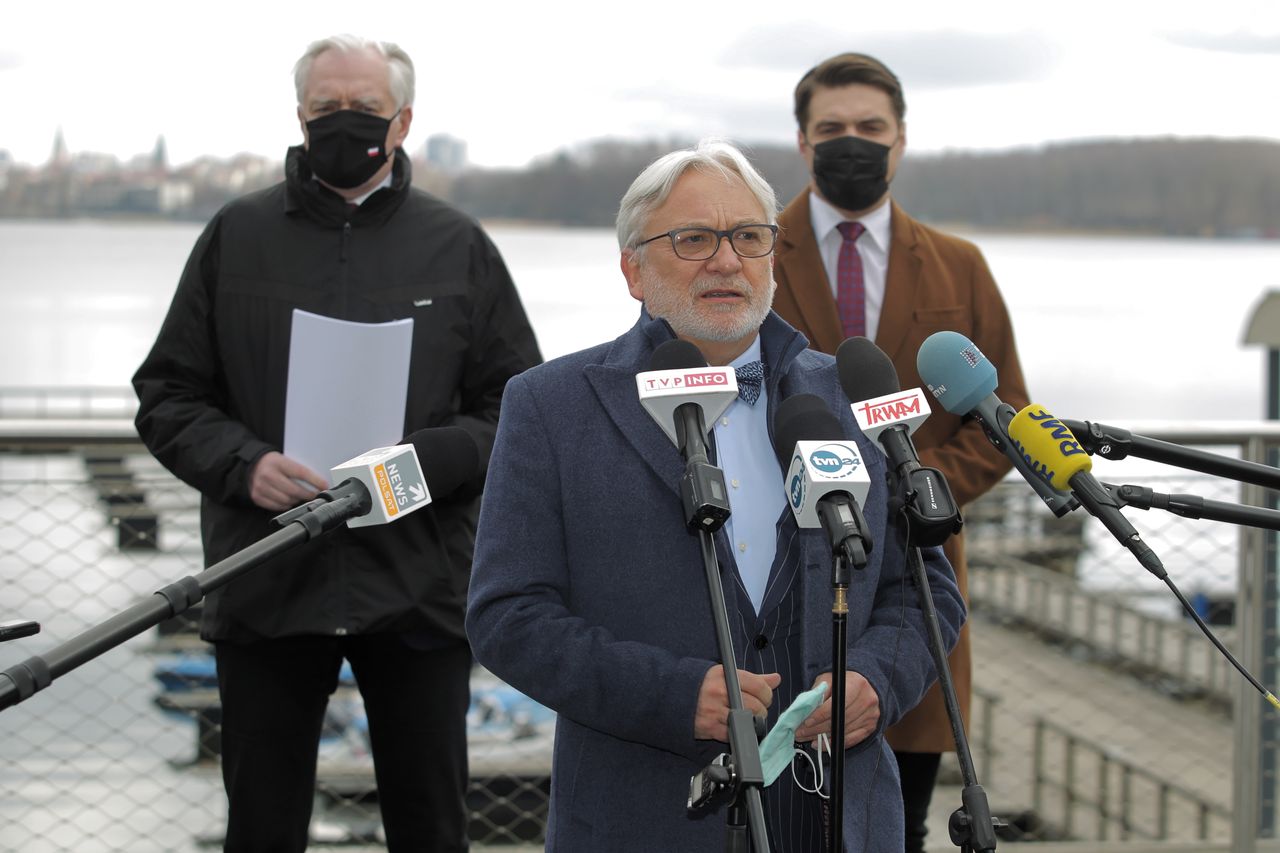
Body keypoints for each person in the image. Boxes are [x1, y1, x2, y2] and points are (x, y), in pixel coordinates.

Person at [465, 139, 965, 852]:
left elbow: (926, 592)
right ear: (633, 269)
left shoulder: (851, 398)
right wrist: (669, 694)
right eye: (693, 239)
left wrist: (878, 680)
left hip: (836, 817)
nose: (726, 261)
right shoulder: (550, 406)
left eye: (748, 237)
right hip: (644, 818)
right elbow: (506, 615)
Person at [132, 34, 541, 853]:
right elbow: (166, 394)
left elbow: (518, 407)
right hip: (266, 578)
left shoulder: (458, 245)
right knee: (260, 829)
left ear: (403, 121)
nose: (343, 125)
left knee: (431, 829)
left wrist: (433, 460)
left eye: (364, 110)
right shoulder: (235, 235)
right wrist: (244, 465)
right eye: (326, 110)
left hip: (418, 585)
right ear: (299, 114)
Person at [770, 52, 1030, 852]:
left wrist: (910, 486)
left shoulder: (960, 266)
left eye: (870, 128)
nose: (853, 143)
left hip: (914, 586)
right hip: (774, 576)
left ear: (902, 138)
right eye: (832, 129)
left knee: (899, 825)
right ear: (803, 141)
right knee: (769, 817)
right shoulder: (748, 253)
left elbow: (1006, 416)